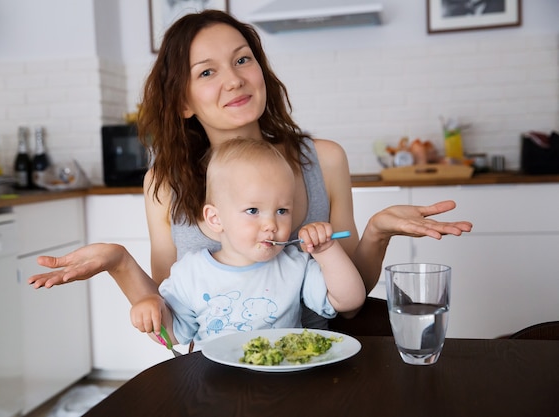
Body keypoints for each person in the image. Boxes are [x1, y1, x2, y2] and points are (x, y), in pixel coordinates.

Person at [28, 10, 472, 331]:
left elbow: (350, 306)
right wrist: (118, 263)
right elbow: (171, 322)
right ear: (183, 101)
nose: (234, 79)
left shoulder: (325, 159)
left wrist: (377, 232)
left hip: (323, 356)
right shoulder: (165, 185)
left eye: (243, 60)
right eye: (207, 72)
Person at [130, 138, 365, 347]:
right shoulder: (189, 273)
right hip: (215, 385)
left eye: (282, 210)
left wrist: (327, 251)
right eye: (253, 210)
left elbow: (350, 300)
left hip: (283, 382)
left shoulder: (294, 265)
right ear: (216, 218)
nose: (271, 224)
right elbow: (172, 337)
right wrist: (151, 306)